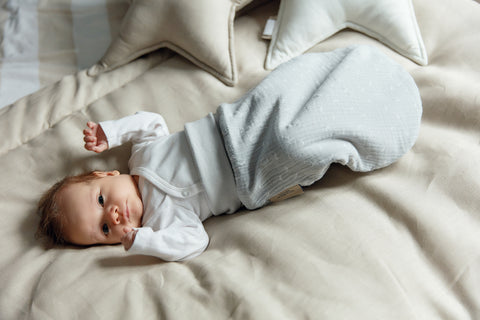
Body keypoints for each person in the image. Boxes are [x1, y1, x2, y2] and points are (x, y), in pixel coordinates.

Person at [36, 45, 422, 261]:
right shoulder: (164, 221)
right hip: (253, 172)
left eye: (102, 200)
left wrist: (110, 132)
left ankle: (339, 75)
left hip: (235, 124)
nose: (115, 214)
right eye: (106, 229)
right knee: (297, 143)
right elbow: (195, 243)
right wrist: (143, 241)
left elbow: (150, 121)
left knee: (281, 92)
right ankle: (368, 126)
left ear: (104, 175)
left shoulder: (141, 157)